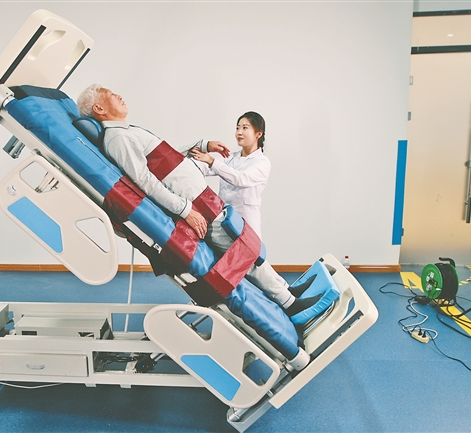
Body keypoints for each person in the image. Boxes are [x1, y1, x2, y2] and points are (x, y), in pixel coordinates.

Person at [76, 84, 318, 315]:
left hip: (202, 202)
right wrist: (185, 211)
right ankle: (289, 303)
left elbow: (164, 157)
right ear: (99, 108)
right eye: (111, 94)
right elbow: (145, 182)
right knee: (244, 253)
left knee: (248, 248)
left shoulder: (126, 132)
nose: (119, 95)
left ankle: (287, 293)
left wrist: (202, 145)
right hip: (196, 206)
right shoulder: (119, 138)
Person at [189, 112, 269, 237]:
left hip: (246, 226)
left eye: (245, 128)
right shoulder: (230, 157)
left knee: (243, 249)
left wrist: (211, 160)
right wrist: (195, 155)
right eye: (237, 128)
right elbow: (206, 167)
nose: (239, 132)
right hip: (224, 222)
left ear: (258, 134)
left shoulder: (262, 162)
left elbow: (240, 178)